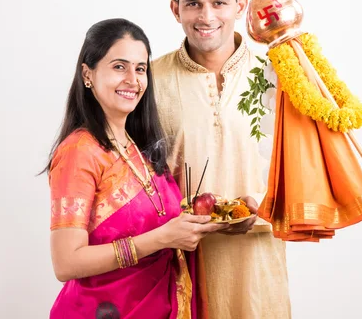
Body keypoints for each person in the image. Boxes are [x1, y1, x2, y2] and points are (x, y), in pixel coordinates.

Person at [43, 18, 226, 319]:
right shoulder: (80, 152)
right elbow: (66, 263)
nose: (133, 79)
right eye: (119, 66)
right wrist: (162, 239)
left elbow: (165, 226)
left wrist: (216, 218)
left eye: (140, 68)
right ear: (87, 74)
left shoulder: (139, 149)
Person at [152, 0, 292, 319]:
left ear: (240, 5)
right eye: (193, 3)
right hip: (178, 272)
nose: (206, 16)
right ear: (175, 9)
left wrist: (261, 210)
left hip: (258, 271)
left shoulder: (278, 75)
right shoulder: (149, 79)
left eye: (219, 2)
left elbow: (303, 171)